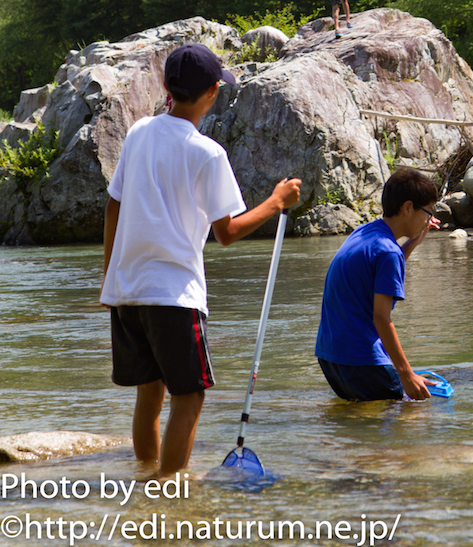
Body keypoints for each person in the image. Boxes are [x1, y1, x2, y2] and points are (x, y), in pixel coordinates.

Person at [100, 42, 301, 477]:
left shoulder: (138, 132)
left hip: (128, 290)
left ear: (166, 87)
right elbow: (226, 233)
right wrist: (276, 201)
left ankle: (146, 482)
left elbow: (113, 207)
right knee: (189, 398)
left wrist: (108, 281)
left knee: (149, 396)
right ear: (212, 91)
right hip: (174, 295)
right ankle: (170, 495)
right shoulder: (207, 152)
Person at [315, 167, 440, 402]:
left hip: (331, 357)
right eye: (427, 212)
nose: (428, 219)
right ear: (407, 208)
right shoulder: (388, 252)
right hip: (361, 360)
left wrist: (412, 244)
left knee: (363, 421)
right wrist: (406, 374)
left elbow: (377, 271)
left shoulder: (365, 232)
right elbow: (381, 318)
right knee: (412, 417)